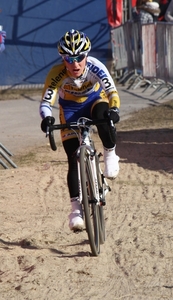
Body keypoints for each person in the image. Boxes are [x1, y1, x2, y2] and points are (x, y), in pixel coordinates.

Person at [39, 29, 121, 231]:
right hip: (70, 110)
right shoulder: (56, 74)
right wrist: (47, 119)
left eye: (79, 57)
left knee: (103, 114)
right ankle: (76, 209)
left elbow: (112, 92)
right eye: (68, 58)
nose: (75, 64)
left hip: (94, 101)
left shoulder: (96, 67)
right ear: (62, 58)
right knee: (72, 157)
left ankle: (110, 154)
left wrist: (115, 110)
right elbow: (46, 102)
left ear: (86, 56)